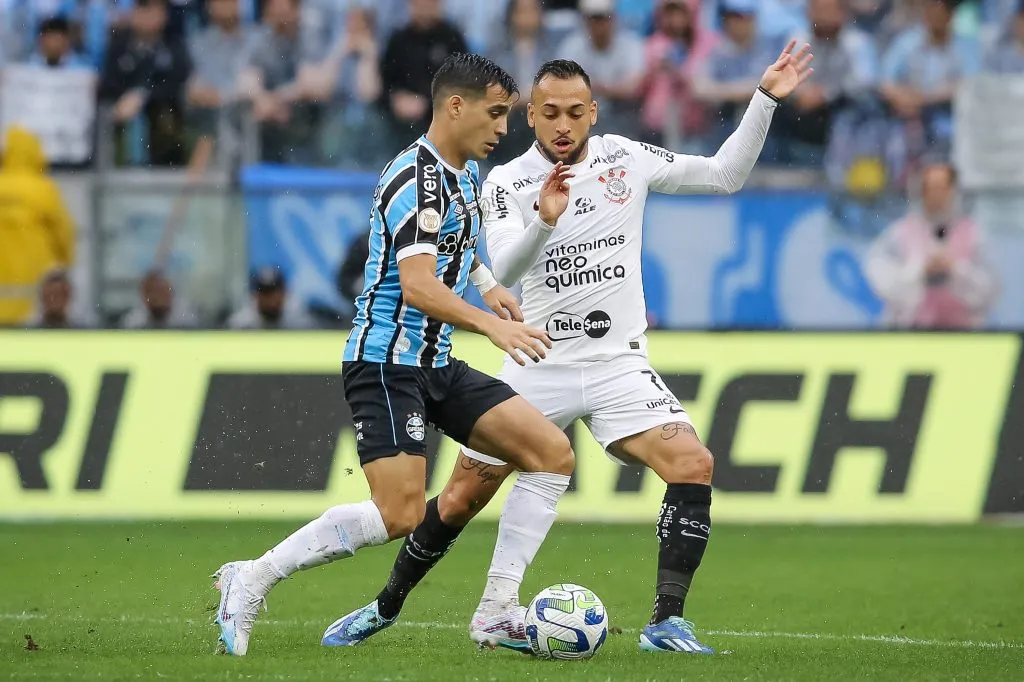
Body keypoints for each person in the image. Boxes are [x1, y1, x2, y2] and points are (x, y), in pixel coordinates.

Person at [325, 48, 813, 656]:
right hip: (539, 365)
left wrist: (764, 100)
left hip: (617, 364)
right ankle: (384, 605)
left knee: (694, 463)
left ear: (593, 113)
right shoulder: (506, 182)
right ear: (529, 115)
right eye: (550, 112)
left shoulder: (626, 158)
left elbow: (724, 175)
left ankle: (665, 622)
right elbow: (504, 269)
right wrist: (545, 221)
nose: (563, 124)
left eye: (575, 112)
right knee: (458, 498)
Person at [213, 53, 575, 657]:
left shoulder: (464, 173)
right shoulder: (415, 178)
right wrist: (491, 325)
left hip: (435, 363)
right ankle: (252, 577)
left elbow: (460, 245)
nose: (502, 128)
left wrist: (489, 286)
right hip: (386, 362)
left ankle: (497, 611)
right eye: (494, 114)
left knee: (551, 453)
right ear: (454, 106)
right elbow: (418, 286)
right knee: (400, 512)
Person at [865, 162, 999, 329]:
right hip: (911, 333)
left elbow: (990, 289)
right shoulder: (899, 233)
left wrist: (955, 270)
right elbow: (882, 282)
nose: (935, 194)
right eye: (929, 188)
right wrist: (919, 271)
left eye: (941, 187)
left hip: (963, 334)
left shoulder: (975, 235)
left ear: (953, 190)